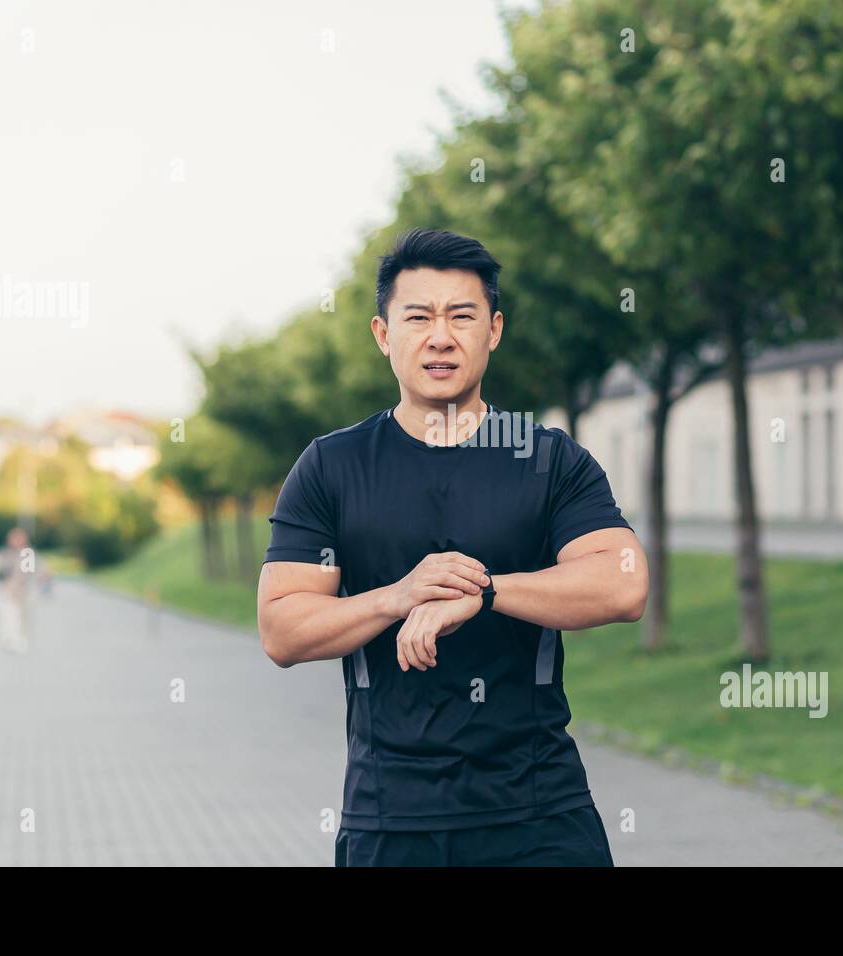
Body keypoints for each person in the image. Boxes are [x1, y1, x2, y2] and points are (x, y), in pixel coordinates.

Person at [258, 228, 649, 867]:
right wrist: (397, 598)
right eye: (419, 317)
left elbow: (624, 581)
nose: (441, 336)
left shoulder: (546, 457)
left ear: (493, 330)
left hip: (540, 812)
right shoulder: (332, 466)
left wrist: (486, 592)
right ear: (384, 335)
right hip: (392, 816)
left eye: (461, 316)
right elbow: (282, 629)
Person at [0, 527, 33, 654]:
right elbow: (1, 571)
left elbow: (28, 573)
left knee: (21, 616)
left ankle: (21, 641)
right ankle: (9, 640)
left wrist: (18, 584)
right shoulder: (5, 553)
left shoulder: (27, 553)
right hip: (7, 589)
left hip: (21, 590)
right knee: (8, 615)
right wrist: (7, 583)